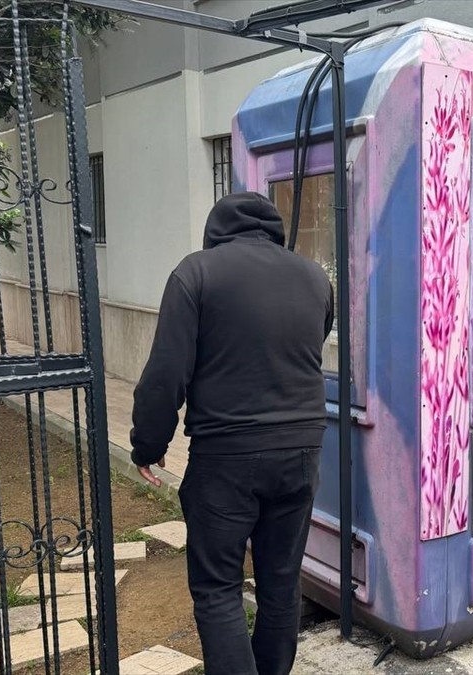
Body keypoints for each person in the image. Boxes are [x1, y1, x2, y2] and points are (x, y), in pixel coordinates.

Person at [130, 191, 333, 675]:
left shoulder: (196, 273)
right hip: (302, 449)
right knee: (281, 582)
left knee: (218, 587)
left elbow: (166, 373)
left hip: (226, 455)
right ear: (274, 229)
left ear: (216, 230)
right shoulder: (314, 278)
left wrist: (148, 443)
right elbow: (313, 339)